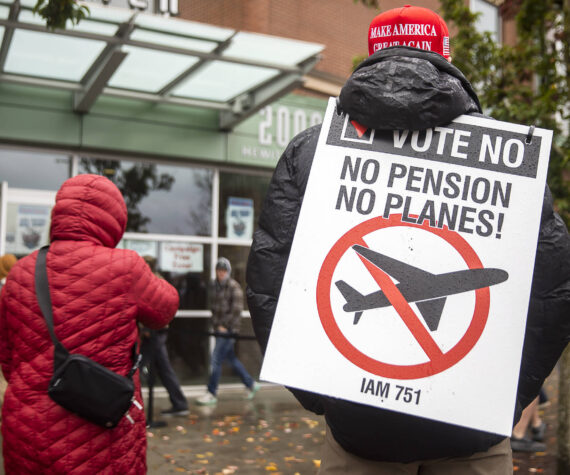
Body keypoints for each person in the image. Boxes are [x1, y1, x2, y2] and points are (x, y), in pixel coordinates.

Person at [246, 5, 570, 474]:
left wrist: (326, 397)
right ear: (446, 56)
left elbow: (267, 281)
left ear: (373, 55)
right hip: (474, 433)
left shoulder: (311, 149)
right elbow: (553, 294)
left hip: (359, 433)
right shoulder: (506, 159)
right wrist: (508, 396)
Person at [0, 174, 179, 474]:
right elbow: (164, 309)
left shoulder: (19, 273)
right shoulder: (126, 267)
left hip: (27, 426)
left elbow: (7, 356)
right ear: (113, 220)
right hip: (101, 426)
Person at [196, 257, 259, 405]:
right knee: (231, 359)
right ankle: (251, 384)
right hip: (218, 329)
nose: (221, 273)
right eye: (219, 270)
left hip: (229, 330)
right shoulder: (215, 286)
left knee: (216, 358)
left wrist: (225, 325)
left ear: (228, 272)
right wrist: (215, 324)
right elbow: (214, 307)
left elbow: (236, 311)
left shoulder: (234, 287)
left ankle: (211, 392)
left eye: (223, 271)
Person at [140, 255, 189, 417]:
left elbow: (155, 307)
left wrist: (147, 327)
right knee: (163, 369)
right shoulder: (152, 279)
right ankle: (179, 403)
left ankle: (126, 404)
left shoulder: (154, 281)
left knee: (138, 367)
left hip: (154, 333)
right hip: (153, 332)